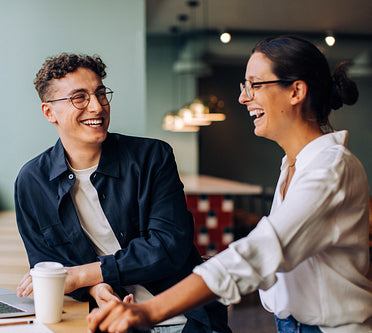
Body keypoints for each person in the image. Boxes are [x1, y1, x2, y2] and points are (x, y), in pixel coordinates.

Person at [87, 35, 372, 333]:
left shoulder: (330, 167)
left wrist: (150, 310)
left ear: (296, 91)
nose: (243, 97)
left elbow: (264, 250)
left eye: (254, 85)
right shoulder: (293, 164)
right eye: (243, 86)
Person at [14, 53, 230, 333]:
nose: (97, 106)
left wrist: (82, 275)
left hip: (184, 319)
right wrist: (95, 289)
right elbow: (49, 268)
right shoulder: (32, 182)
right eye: (79, 97)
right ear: (49, 112)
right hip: (108, 322)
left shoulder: (153, 157)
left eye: (100, 93)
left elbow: (168, 247)